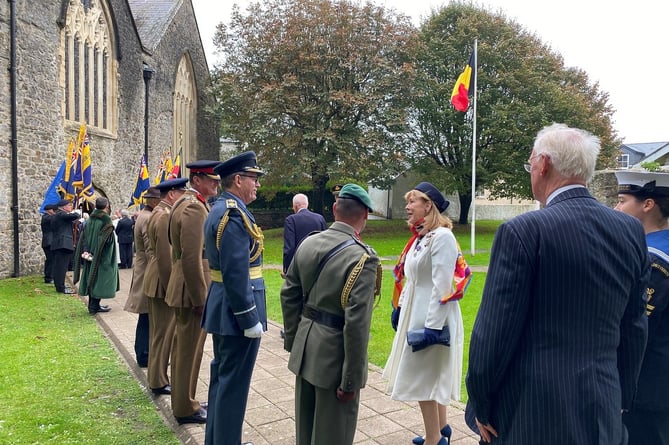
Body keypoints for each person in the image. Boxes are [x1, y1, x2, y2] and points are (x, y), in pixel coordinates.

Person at [465, 123, 650, 445]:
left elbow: (494, 331)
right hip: (602, 405)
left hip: (533, 410)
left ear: (543, 164)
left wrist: (480, 403)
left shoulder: (524, 231)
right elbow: (634, 325)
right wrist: (620, 399)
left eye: (530, 163)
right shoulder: (630, 230)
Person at [281, 183, 381, 445]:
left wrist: (294, 341)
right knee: (333, 436)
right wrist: (351, 380)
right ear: (366, 215)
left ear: (335, 209)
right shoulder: (363, 258)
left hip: (305, 349)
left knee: (305, 431)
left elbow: (288, 295)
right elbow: (357, 325)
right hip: (334, 361)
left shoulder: (309, 243)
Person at [383, 182, 463, 445]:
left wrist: (432, 328)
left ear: (428, 205)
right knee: (428, 374)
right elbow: (413, 278)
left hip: (432, 316)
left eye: (412, 201)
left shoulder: (442, 237)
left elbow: (442, 286)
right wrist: (401, 306)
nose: (407, 207)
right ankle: (442, 429)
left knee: (421, 376)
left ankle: (433, 439)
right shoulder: (422, 237)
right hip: (416, 310)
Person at [202, 151, 266, 445]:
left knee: (223, 379)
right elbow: (235, 272)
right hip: (235, 311)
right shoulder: (233, 215)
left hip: (225, 308)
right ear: (238, 179)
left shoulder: (223, 209)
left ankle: (219, 439)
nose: (257, 185)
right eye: (253, 178)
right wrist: (248, 317)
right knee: (233, 385)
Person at [614, 170, 669, 445]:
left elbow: (635, 329)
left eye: (623, 200)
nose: (616, 207)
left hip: (646, 388)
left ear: (648, 204)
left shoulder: (653, 260)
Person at [165, 160, 220, 425]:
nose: (216, 184)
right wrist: (200, 298)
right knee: (188, 350)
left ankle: (186, 400)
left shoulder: (187, 204)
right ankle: (185, 407)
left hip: (186, 286)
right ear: (196, 180)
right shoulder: (194, 208)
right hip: (191, 289)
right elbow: (191, 257)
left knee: (187, 349)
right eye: (212, 179)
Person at [143, 179, 188, 396]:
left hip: (157, 278)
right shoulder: (163, 216)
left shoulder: (160, 213)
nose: (183, 196)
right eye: (181, 192)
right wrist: (172, 285)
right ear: (171, 194)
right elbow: (164, 255)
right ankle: (158, 380)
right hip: (162, 281)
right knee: (163, 333)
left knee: (160, 332)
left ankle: (156, 377)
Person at [123, 187, 161, 368]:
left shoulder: (144, 216)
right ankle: (145, 354)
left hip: (144, 269)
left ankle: (145, 353)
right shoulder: (148, 218)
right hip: (147, 271)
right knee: (147, 315)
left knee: (147, 316)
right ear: (154, 201)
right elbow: (150, 248)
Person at [73, 197, 120, 314]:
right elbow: (107, 241)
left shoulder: (90, 220)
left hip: (89, 255)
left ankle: (94, 305)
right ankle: (93, 307)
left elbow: (84, 237)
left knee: (92, 279)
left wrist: (87, 251)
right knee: (99, 281)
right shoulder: (106, 221)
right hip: (102, 257)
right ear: (106, 206)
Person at [282, 193, 327, 277]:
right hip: (317, 265)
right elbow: (326, 243)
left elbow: (290, 248)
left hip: (299, 266)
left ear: (295, 206)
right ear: (307, 204)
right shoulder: (320, 218)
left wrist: (287, 269)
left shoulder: (291, 220)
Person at [50, 199, 79, 294]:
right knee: (61, 267)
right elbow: (74, 216)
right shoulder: (60, 214)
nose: (70, 207)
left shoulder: (59, 215)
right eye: (69, 205)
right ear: (63, 207)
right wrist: (77, 213)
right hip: (62, 244)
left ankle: (60, 284)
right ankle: (60, 287)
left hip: (61, 244)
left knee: (61, 267)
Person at [41, 204, 56, 284]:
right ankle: (49, 277)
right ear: (49, 210)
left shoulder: (48, 217)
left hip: (49, 241)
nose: (54, 212)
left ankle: (49, 276)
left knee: (51, 260)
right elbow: (54, 218)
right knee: (51, 260)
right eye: (53, 210)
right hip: (48, 242)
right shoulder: (46, 217)